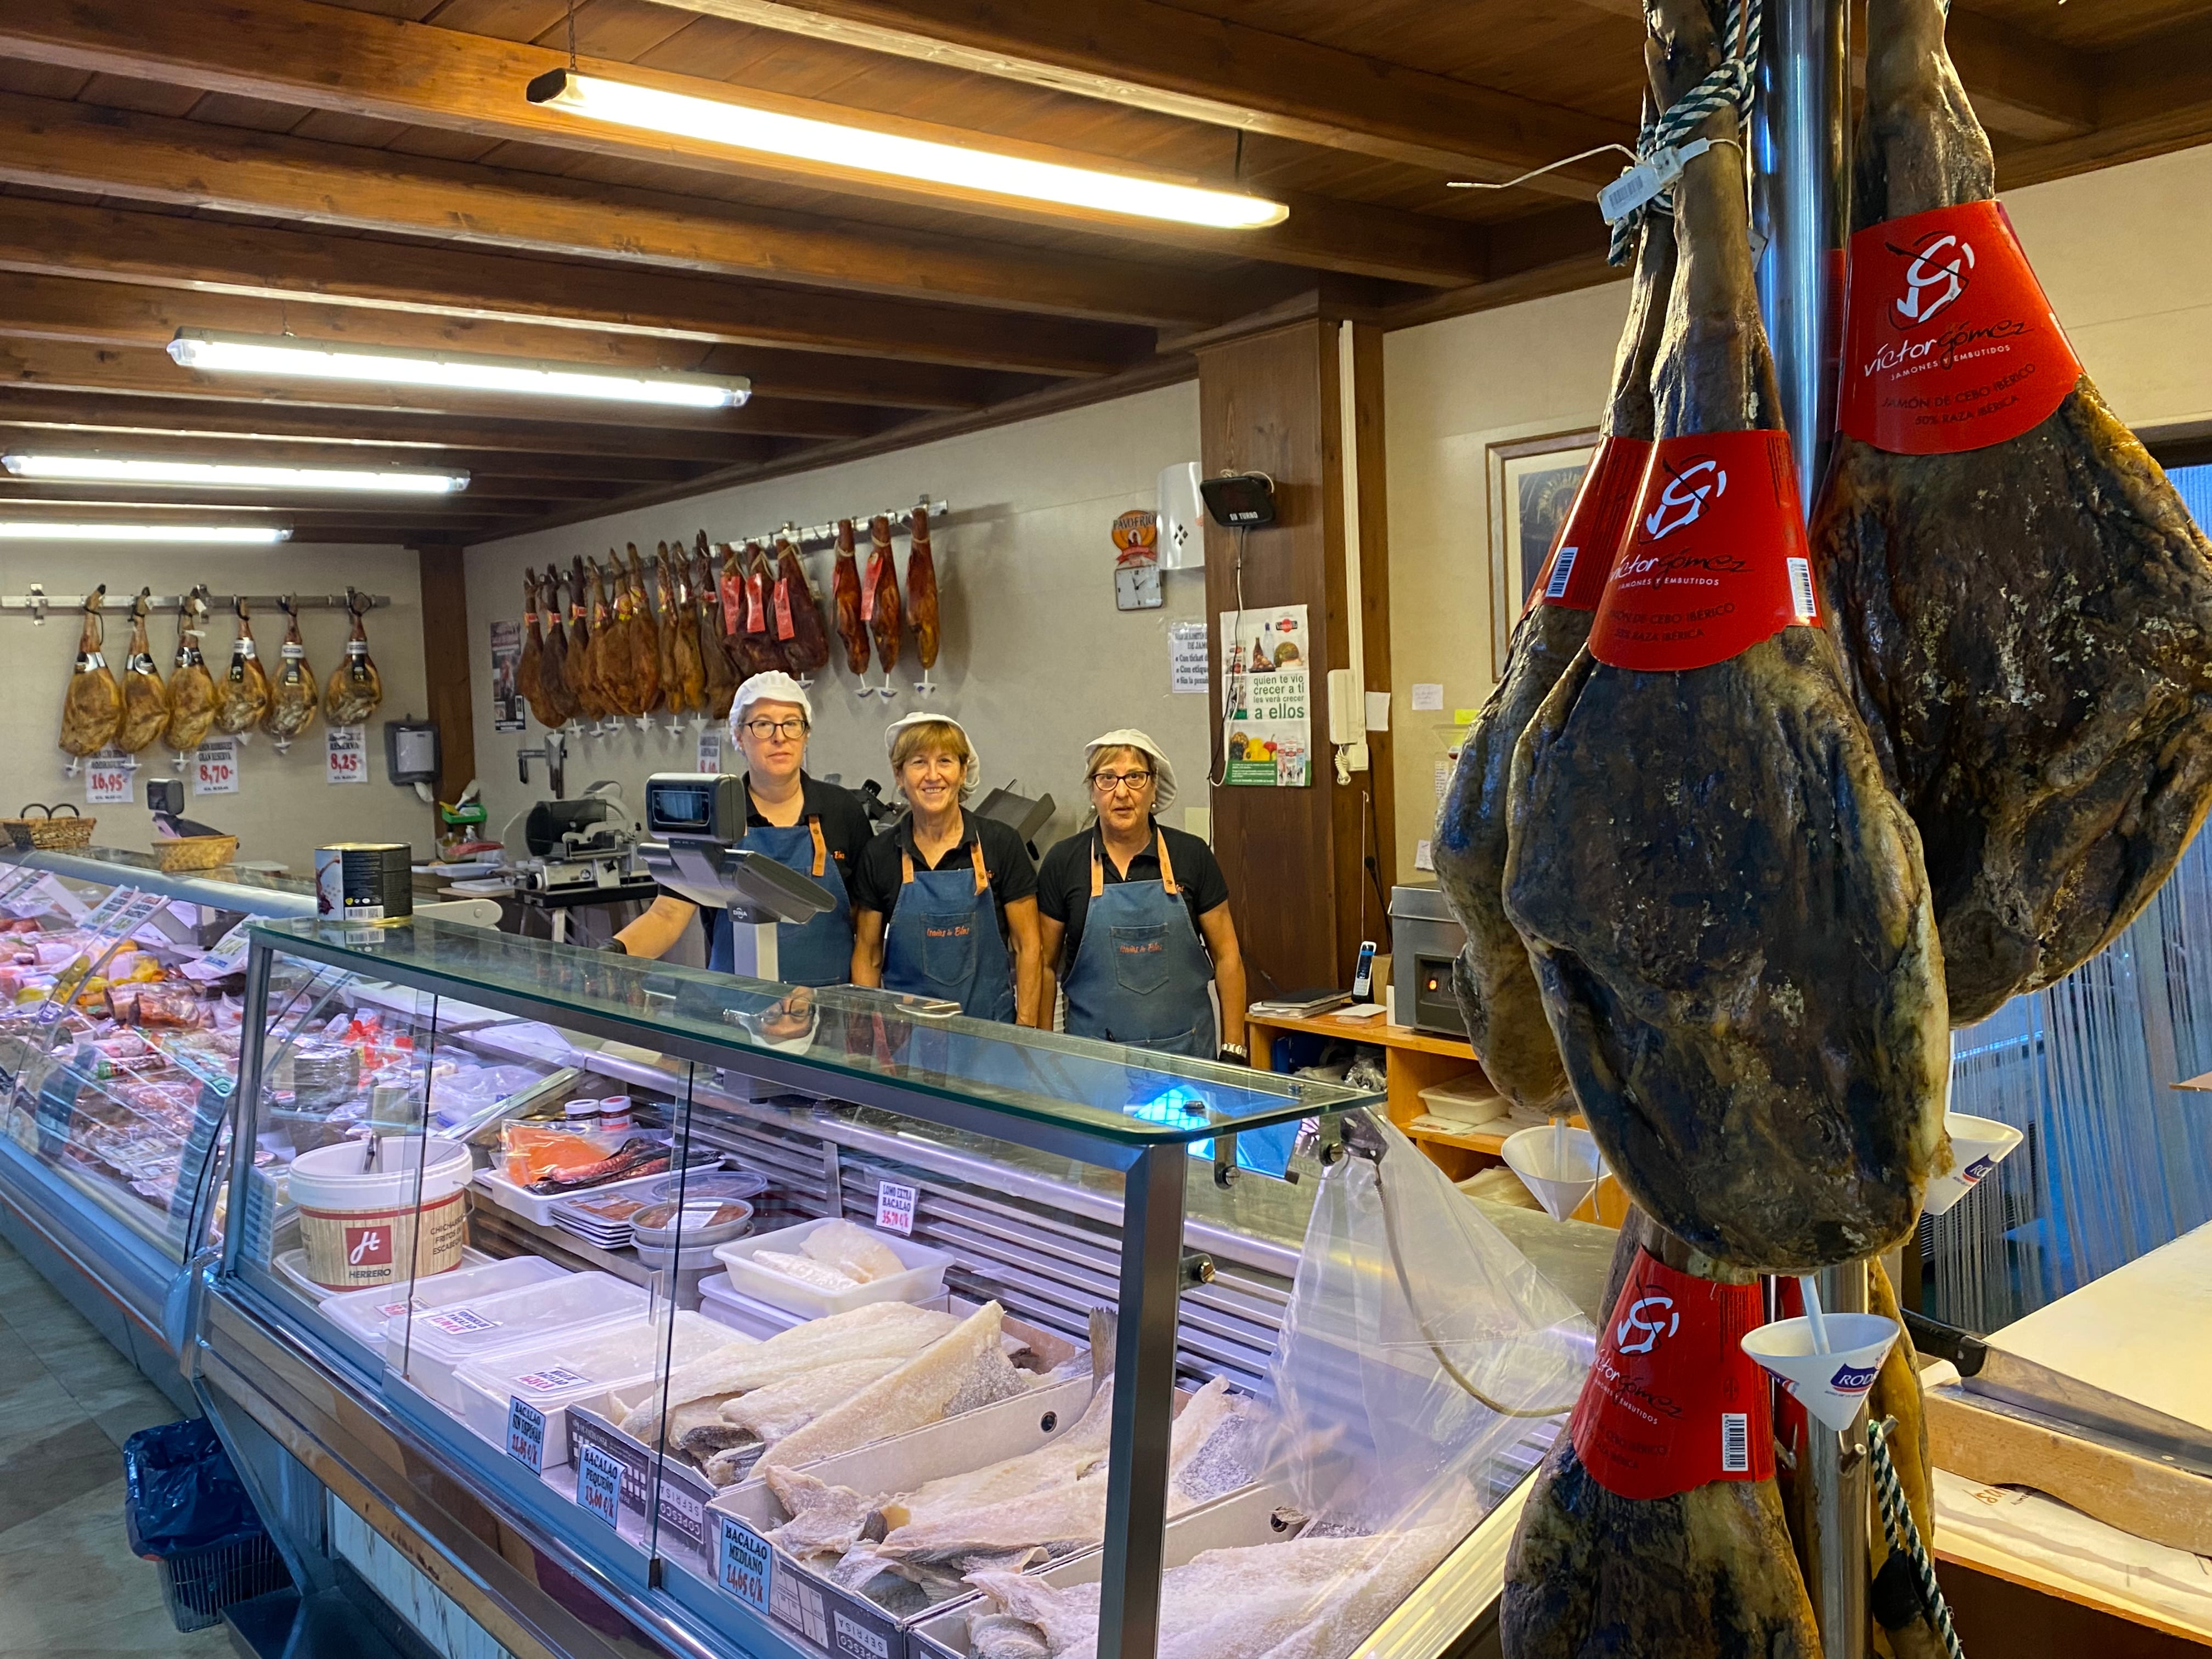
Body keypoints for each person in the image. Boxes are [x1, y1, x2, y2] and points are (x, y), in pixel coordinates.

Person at [606, 672, 870, 985]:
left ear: (806, 734)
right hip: (734, 1009)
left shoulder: (843, 812)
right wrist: (610, 955)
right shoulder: (710, 815)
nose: (779, 737)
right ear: (739, 736)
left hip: (828, 1008)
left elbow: (865, 927)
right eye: (762, 725)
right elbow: (668, 915)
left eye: (791, 723)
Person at [1036, 729, 1248, 1063]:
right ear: (1092, 790)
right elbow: (1043, 966)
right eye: (1107, 778)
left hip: (1187, 1059)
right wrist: (1043, 1051)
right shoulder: (1063, 863)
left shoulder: (1191, 856)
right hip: (1093, 1065)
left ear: (1154, 788)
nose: (1121, 792)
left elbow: (1228, 957)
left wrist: (1234, 1049)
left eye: (1135, 777)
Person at [850, 714, 1042, 1024]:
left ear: (963, 771)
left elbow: (1028, 946)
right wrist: (868, 1031)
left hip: (990, 1038)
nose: (933, 775)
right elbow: (868, 954)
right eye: (918, 763)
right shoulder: (880, 854)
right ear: (899, 775)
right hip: (906, 1042)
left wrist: (1026, 1029)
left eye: (945, 761)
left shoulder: (1001, 844)